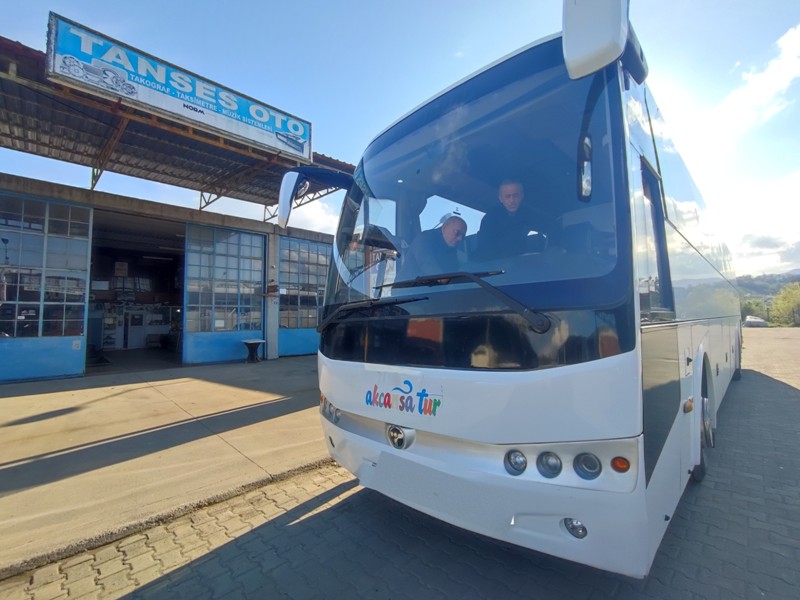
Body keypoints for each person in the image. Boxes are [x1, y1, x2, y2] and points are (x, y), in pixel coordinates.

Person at [474, 180, 551, 260]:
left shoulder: (528, 214)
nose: (512, 200)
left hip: (522, 261)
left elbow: (549, 227)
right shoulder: (490, 218)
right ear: (501, 199)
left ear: (522, 196)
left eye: (515, 196)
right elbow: (486, 247)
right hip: (494, 262)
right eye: (507, 196)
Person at [397, 215, 467, 280]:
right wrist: (443, 279)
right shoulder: (424, 238)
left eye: (463, 236)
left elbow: (454, 268)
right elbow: (427, 263)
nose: (460, 238)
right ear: (444, 228)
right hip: (407, 286)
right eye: (457, 233)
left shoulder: (451, 248)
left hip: (432, 287)